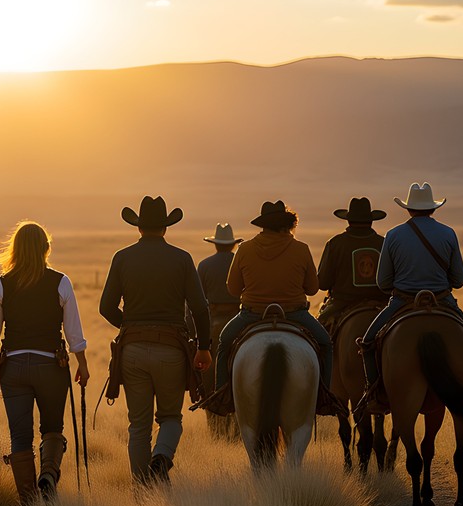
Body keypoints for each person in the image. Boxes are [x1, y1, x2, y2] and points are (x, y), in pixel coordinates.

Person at [99, 195, 212, 485]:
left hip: (132, 351)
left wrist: (130, 327)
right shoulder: (182, 258)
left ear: (138, 227)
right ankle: (161, 458)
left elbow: (106, 307)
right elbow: (200, 309)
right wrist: (203, 348)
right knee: (171, 418)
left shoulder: (122, 257)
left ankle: (142, 491)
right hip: (171, 351)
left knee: (138, 426)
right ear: (165, 227)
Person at [0, 221, 89, 505]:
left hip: (13, 369)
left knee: (20, 437)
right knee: (52, 428)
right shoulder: (60, 282)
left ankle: (28, 504)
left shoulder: (3, 283)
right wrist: (82, 363)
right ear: (45, 249)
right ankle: (48, 477)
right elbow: (74, 332)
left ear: (15, 250)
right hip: (51, 367)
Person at [214, 200, 335, 414]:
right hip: (294, 314)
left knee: (224, 342)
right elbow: (312, 288)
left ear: (263, 225)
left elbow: (233, 289)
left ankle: (221, 396)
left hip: (252, 314)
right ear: (286, 224)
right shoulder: (301, 249)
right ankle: (323, 398)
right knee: (325, 343)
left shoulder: (245, 249)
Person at [360, 182, 463, 397]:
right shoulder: (448, 233)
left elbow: (383, 282)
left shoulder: (393, 235)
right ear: (432, 208)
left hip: (402, 301)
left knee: (367, 342)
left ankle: (374, 394)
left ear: (409, 209)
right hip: (442, 300)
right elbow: (459, 280)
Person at [194, 223, 243, 441]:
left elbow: (197, 302)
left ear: (215, 244)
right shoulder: (240, 262)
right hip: (240, 319)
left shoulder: (204, 266)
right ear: (232, 244)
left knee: (204, 369)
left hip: (213, 321)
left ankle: (213, 423)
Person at [317, 197, 389, 333]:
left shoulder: (335, 243)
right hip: (381, 301)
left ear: (348, 220)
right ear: (371, 221)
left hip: (342, 302)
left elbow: (323, 283)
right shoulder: (384, 244)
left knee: (317, 333)